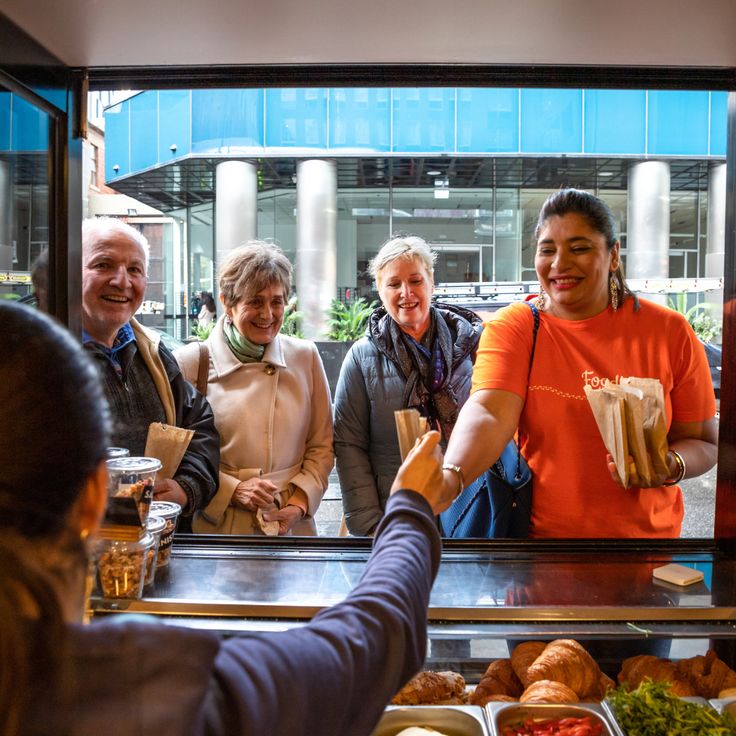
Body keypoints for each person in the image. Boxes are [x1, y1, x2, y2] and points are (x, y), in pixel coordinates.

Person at [0, 300, 445, 736]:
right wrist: (409, 508)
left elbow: (321, 447)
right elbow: (370, 644)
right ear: (98, 493)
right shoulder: (158, 687)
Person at [438, 188, 718, 538]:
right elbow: (489, 411)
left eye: (579, 248)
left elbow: (704, 442)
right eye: (547, 250)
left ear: (613, 255)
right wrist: (451, 476)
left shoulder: (668, 332)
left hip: (647, 550)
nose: (559, 264)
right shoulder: (517, 327)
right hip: (540, 552)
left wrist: (670, 466)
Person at [176, 241, 333, 535]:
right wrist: (232, 490)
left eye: (277, 301)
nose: (268, 314)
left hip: (291, 525)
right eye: (255, 301)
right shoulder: (190, 363)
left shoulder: (305, 356)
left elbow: (322, 446)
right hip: (218, 525)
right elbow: (178, 455)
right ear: (227, 302)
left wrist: (299, 504)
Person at [334, 235, 483, 536]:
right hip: (395, 515)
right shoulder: (362, 359)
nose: (406, 293)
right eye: (393, 284)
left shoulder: (471, 345)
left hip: (470, 510)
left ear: (431, 283)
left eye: (415, 281)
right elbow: (349, 446)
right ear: (380, 290)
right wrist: (371, 525)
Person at [81, 217, 219, 528]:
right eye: (103, 264)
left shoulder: (152, 353)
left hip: (159, 548)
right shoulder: (41, 360)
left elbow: (199, 424)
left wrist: (187, 487)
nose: (122, 281)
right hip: (72, 557)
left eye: (135, 270)